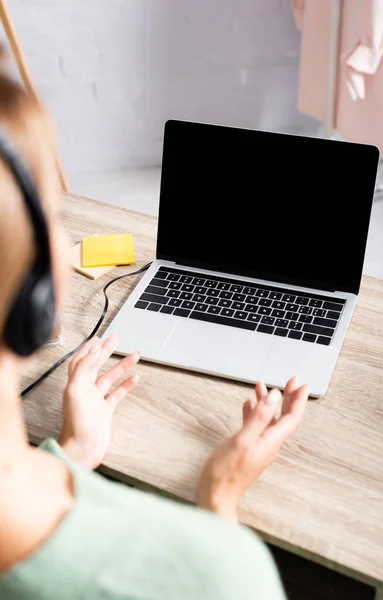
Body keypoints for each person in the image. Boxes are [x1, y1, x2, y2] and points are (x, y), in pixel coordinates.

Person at [0, 54, 309, 600]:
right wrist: (219, 501)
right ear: (39, 284)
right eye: (54, 212)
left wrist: (72, 454)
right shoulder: (221, 574)